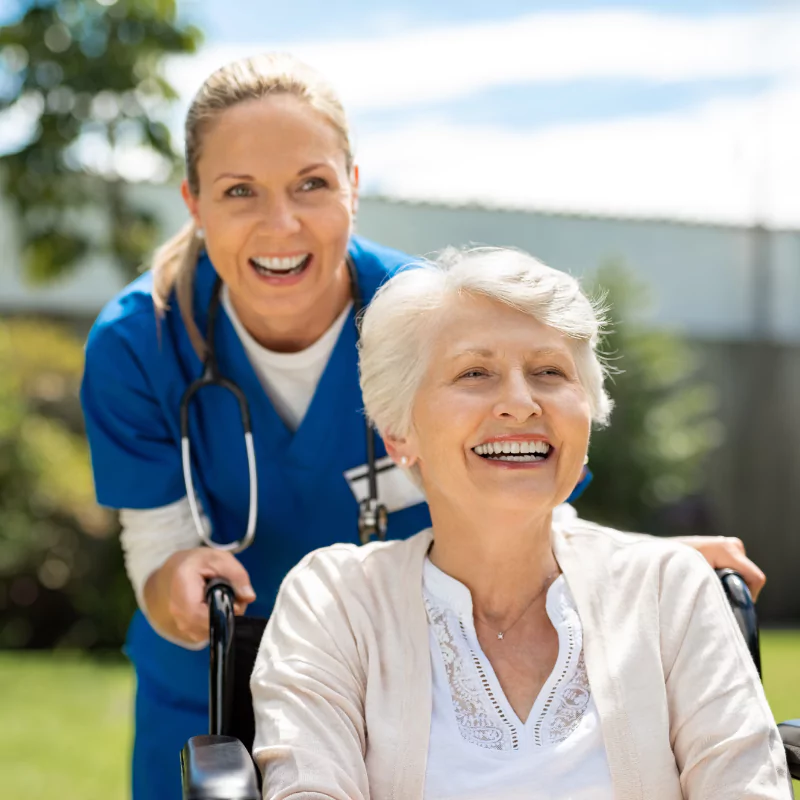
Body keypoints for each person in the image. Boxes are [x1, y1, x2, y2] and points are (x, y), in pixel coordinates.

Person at [79, 54, 767, 800]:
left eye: (312, 183)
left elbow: (523, 474)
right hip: (211, 679)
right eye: (239, 191)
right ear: (195, 203)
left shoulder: (432, 323)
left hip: (409, 670)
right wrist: (174, 584)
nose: (282, 223)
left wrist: (638, 576)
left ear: (354, 188)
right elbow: (155, 545)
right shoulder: (136, 345)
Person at [251, 247, 789, 800]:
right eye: (474, 372)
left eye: (549, 372)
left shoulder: (666, 587)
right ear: (398, 434)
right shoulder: (333, 602)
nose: (520, 402)